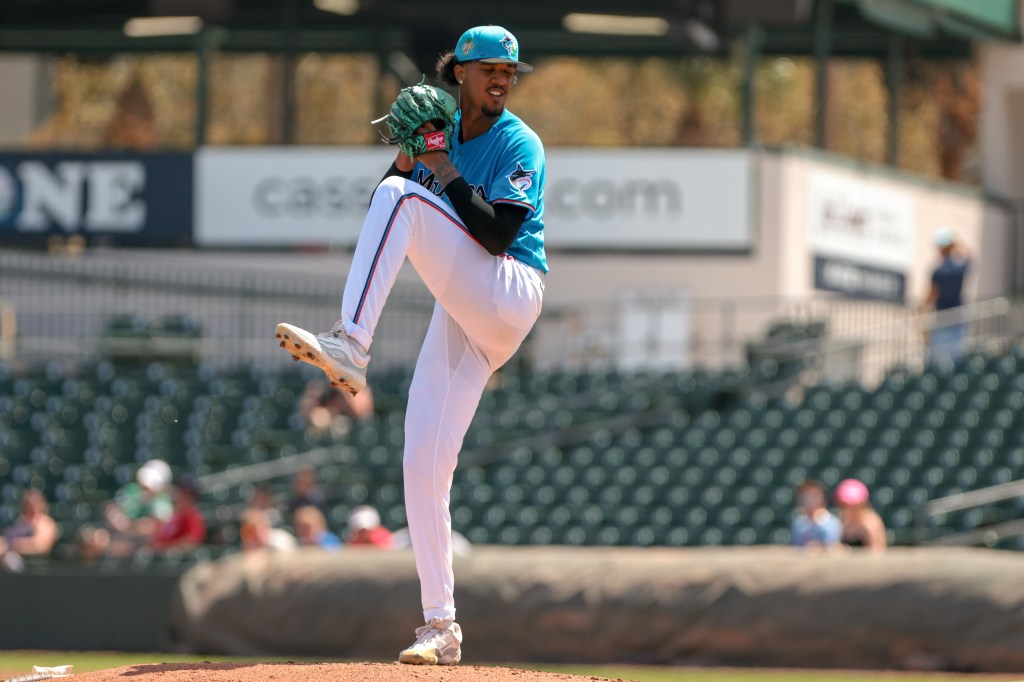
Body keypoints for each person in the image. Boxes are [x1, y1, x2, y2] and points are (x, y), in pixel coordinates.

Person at [275, 24, 545, 666]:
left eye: (509, 70)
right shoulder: (442, 133)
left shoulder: (519, 142)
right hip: (464, 314)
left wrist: (432, 164)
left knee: (405, 199)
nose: (502, 78)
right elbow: (383, 205)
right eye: (489, 69)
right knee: (422, 464)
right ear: (460, 73)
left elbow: (498, 235)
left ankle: (351, 345)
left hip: (508, 292)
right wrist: (408, 155)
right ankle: (441, 626)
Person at [102, 458, 174, 558]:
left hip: (142, 544)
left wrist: (130, 527)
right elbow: (111, 510)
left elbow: (155, 528)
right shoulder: (131, 490)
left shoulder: (162, 500)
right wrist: (119, 520)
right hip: (121, 537)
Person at [924, 227, 971, 364]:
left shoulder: (939, 271)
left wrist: (921, 308)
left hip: (942, 316)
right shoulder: (959, 268)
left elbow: (932, 294)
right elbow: (970, 259)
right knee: (956, 356)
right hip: (957, 317)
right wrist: (959, 244)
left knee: (938, 357)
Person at [0, 489, 59, 572]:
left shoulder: (45, 523)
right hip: (15, 559)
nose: (32, 508)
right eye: (29, 505)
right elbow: (7, 538)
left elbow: (41, 546)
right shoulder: (21, 521)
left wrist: (17, 544)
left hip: (35, 565)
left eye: (35, 504)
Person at [152, 476, 207, 554]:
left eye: (185, 495)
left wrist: (166, 547)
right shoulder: (174, 514)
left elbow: (192, 541)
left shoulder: (192, 515)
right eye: (181, 493)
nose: (180, 496)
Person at [834, 478, 887, 552]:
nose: (848, 508)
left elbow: (876, 552)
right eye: (844, 504)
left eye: (853, 505)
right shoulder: (842, 519)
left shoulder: (871, 522)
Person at [789, 479, 842, 550]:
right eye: (805, 496)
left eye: (813, 495)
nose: (808, 499)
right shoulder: (798, 523)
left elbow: (832, 547)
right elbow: (796, 548)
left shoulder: (832, 522)